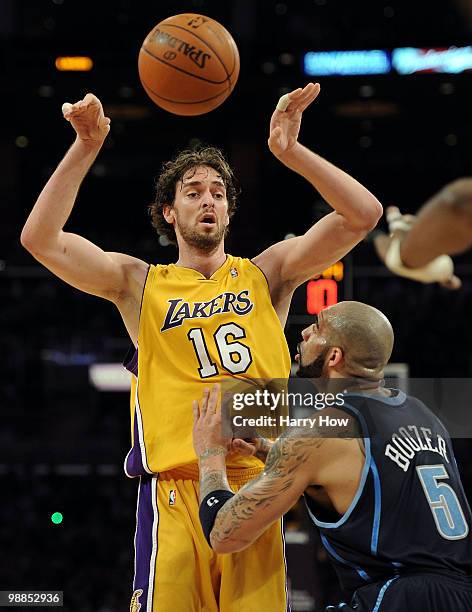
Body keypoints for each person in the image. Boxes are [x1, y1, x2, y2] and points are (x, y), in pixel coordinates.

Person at [20, 84, 382, 611]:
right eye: (192, 191)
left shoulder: (269, 274)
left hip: (255, 488)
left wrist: (290, 152)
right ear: (169, 212)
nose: (207, 199)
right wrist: (85, 145)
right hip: (174, 493)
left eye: (217, 192)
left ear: (229, 212)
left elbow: (362, 215)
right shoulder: (138, 283)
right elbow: (40, 239)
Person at [193, 301, 472, 612]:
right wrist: (266, 451)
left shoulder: (321, 430)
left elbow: (224, 535)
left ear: (334, 356)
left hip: (398, 596)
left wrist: (210, 454)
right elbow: (361, 479)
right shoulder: (422, 414)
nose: (305, 331)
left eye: (317, 327)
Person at [372, 178, 472, 289]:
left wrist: (395, 220)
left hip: (401, 258)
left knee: (378, 234)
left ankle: (387, 229)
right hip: (407, 255)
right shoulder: (444, 271)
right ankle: (393, 227)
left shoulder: (439, 271)